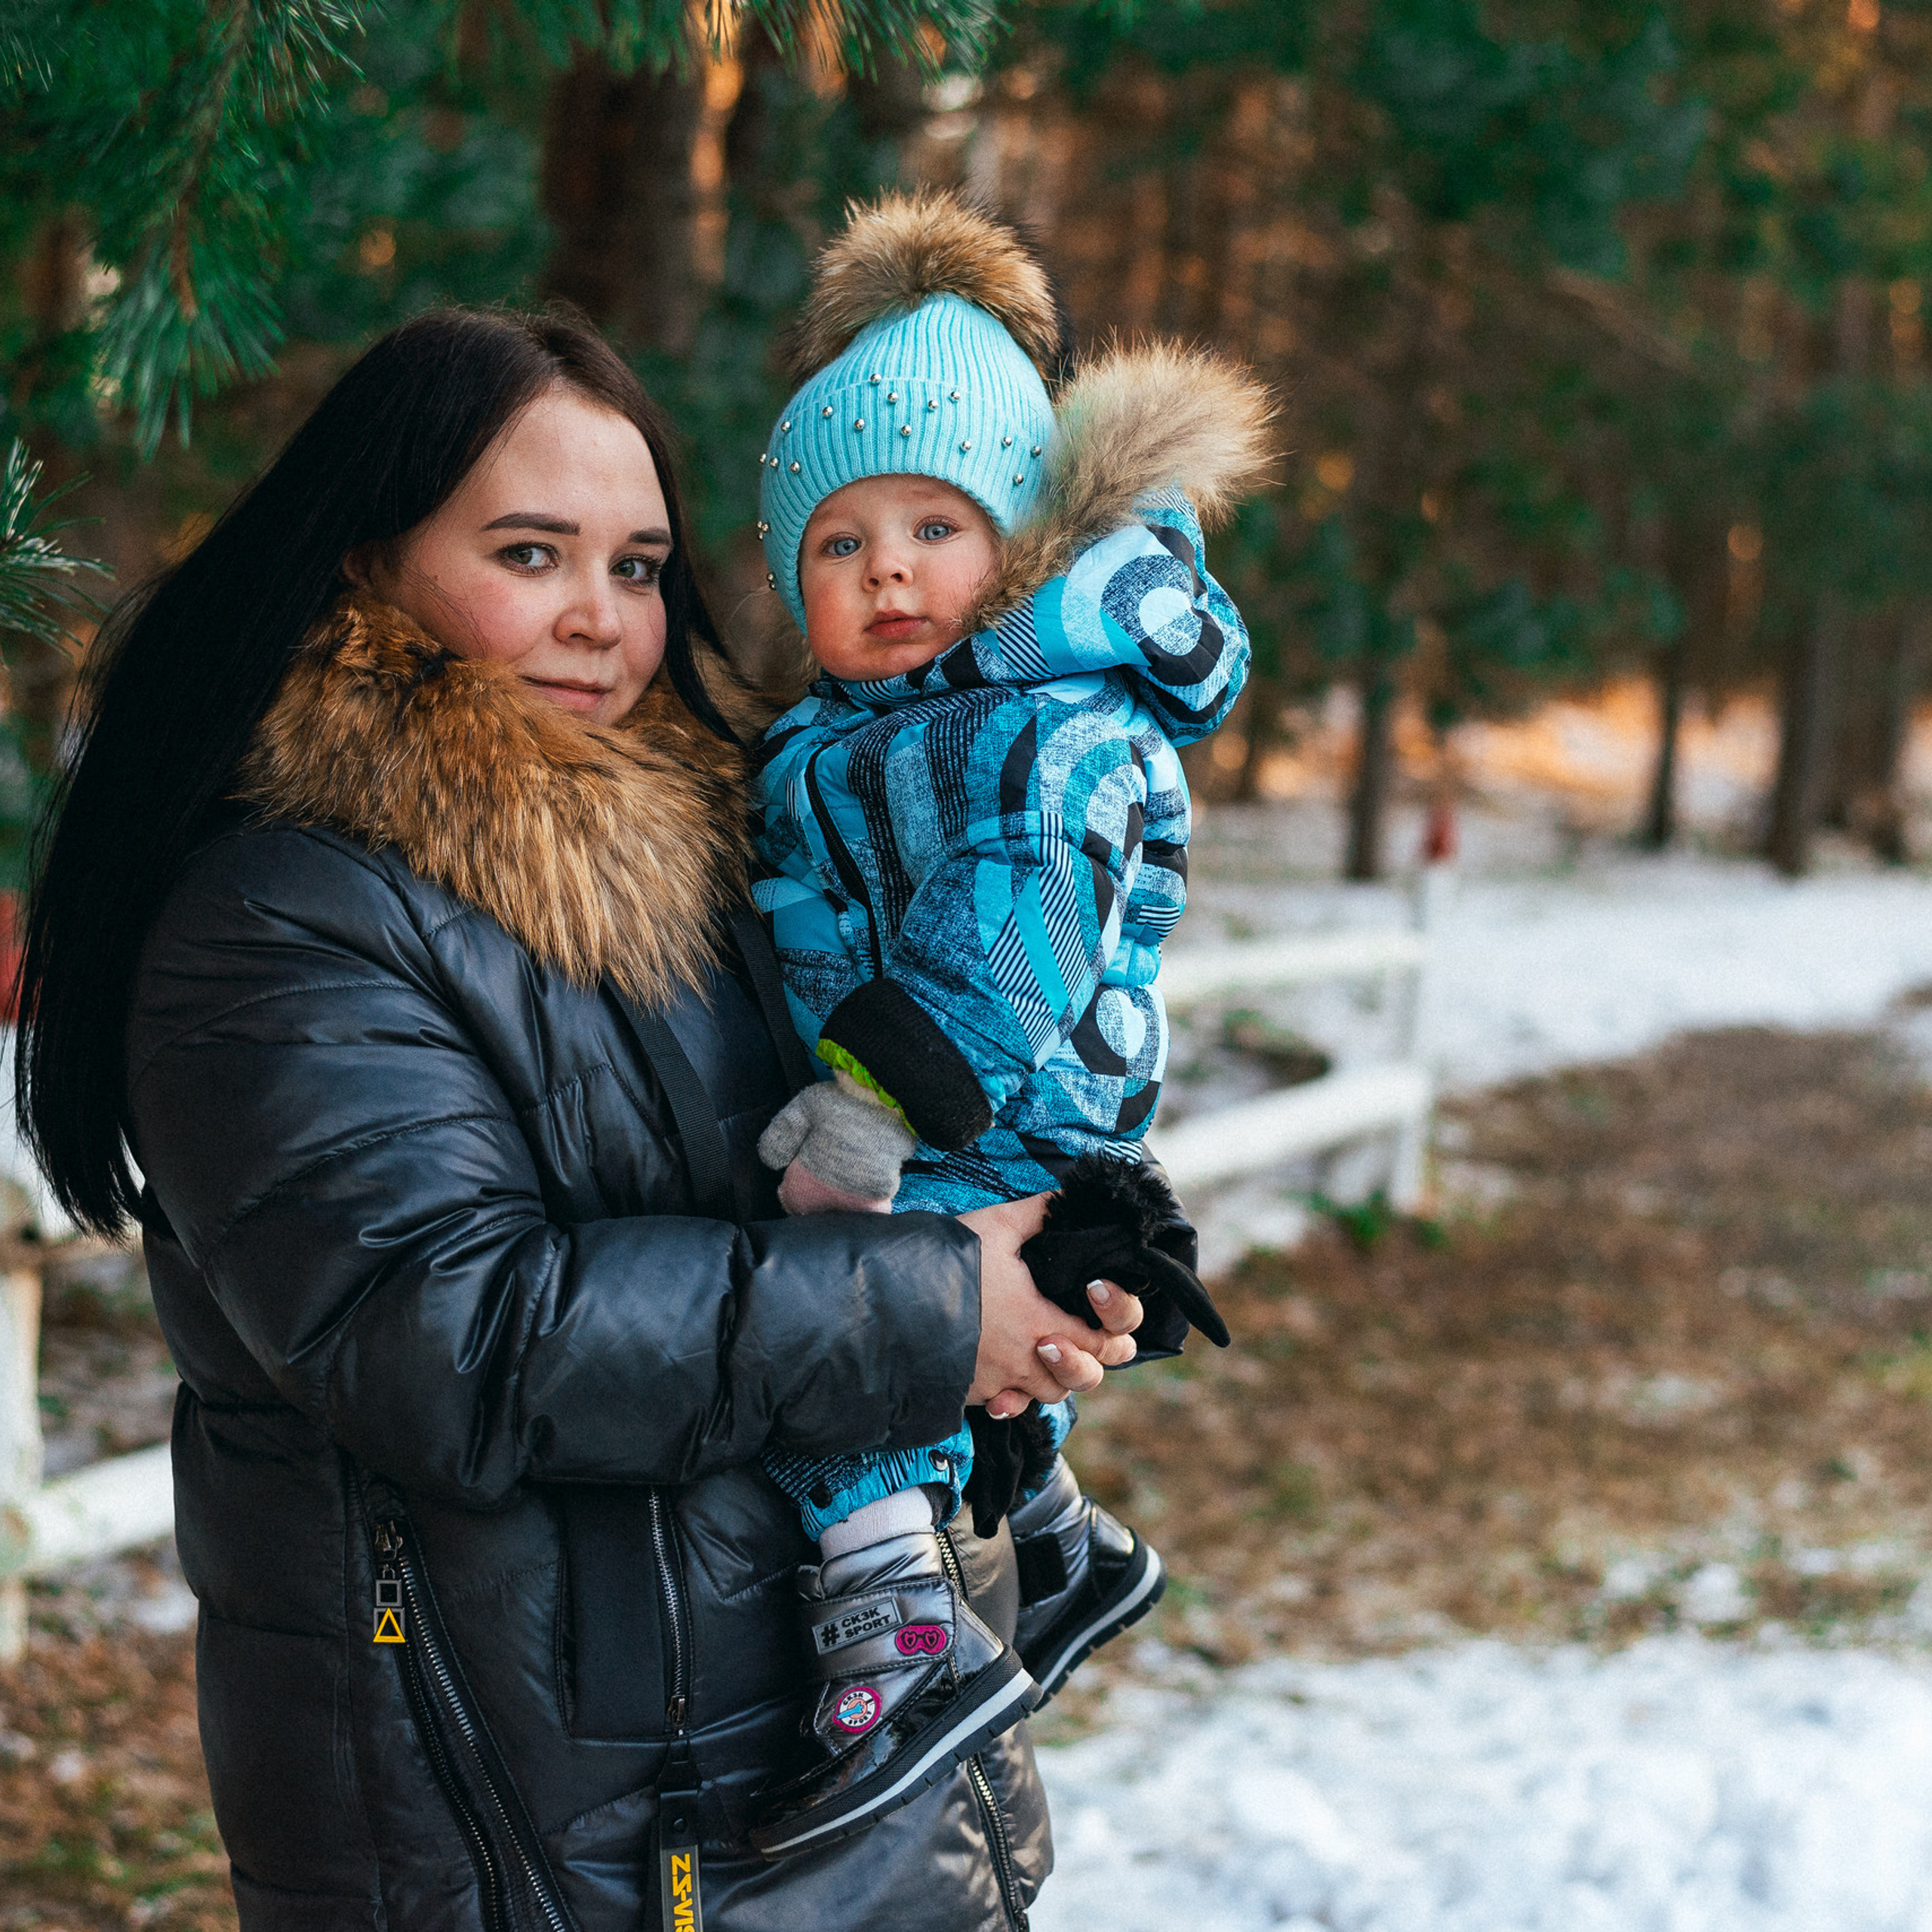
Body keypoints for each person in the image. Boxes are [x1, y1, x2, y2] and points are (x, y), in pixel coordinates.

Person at [14, 306, 1146, 1931]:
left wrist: (1050, 1249)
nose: (602, 621)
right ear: (360, 556)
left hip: (838, 1779)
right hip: (548, 1841)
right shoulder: (279, 916)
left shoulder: (719, 845)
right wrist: (937, 1303)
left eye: (635, 565)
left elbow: (849, 1170)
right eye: (531, 551)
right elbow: (448, 1336)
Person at [740, 192, 1272, 1857]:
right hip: (930, 1090)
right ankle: (1046, 1539)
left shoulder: (1049, 730)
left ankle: (895, 1652)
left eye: (933, 526)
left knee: (837, 1341)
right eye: (838, 541)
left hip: (994, 1091)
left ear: (1021, 546)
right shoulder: (852, 730)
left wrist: (858, 1111)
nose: (886, 567)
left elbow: (1010, 943)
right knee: (913, 1338)